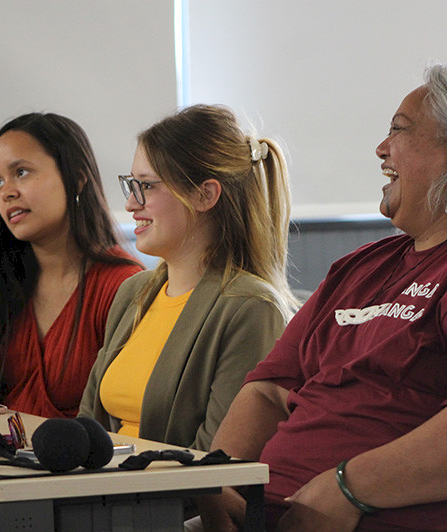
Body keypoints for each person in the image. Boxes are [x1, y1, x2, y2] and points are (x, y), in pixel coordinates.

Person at [197, 61, 447, 531]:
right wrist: (221, 486)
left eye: (399, 132)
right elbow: (267, 391)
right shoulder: (363, 267)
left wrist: (346, 488)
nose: (381, 150)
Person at [78, 104, 297, 451]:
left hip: (164, 501)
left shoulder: (250, 308)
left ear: (204, 195)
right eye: (130, 185)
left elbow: (216, 464)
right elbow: (87, 426)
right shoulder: (133, 291)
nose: (131, 205)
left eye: (147, 186)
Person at [0, 113, 143, 418]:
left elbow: (129, 419)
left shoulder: (122, 284)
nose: (6, 192)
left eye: (21, 172)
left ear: (77, 177)